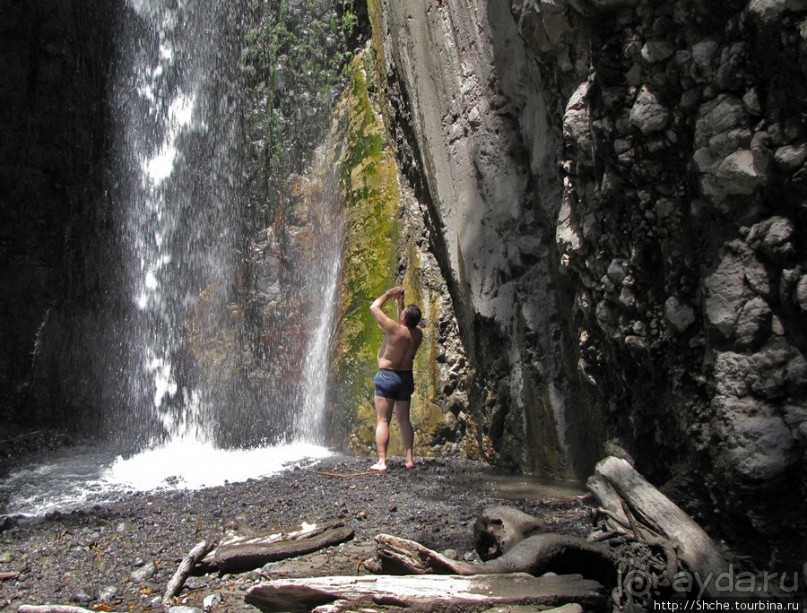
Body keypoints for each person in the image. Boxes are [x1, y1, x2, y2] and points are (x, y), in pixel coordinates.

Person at [369, 285, 423, 471]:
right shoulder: (418, 334)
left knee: (383, 420)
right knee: (404, 420)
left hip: (387, 375)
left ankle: (382, 461)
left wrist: (387, 294)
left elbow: (374, 307)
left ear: (403, 318)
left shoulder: (393, 328)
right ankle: (409, 459)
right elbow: (406, 325)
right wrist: (401, 304)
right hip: (405, 378)